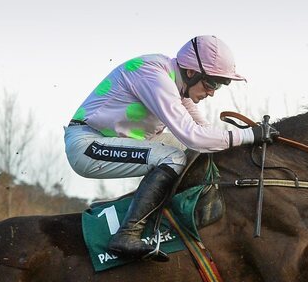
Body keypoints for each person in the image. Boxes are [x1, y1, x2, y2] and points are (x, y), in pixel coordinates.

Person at [65, 35, 278, 260]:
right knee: (174, 157)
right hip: (88, 145)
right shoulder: (154, 76)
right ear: (191, 72)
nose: (213, 92)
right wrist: (249, 135)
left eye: (218, 85)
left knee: (195, 152)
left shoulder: (177, 84)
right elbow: (193, 136)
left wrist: (250, 140)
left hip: (117, 142)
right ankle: (127, 234)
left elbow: (203, 134)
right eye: (211, 83)